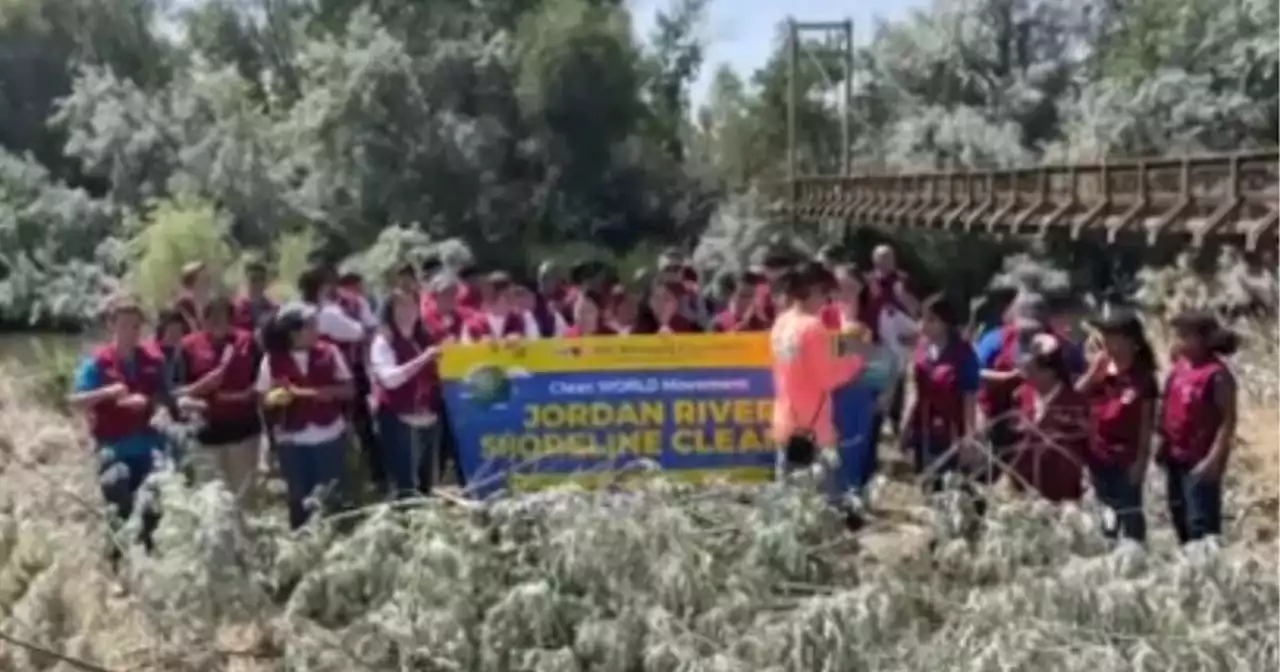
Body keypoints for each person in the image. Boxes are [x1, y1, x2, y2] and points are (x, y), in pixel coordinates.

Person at [68, 295, 167, 561]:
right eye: (125, 325)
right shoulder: (98, 363)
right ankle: (118, 562)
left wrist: (154, 406)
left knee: (152, 505)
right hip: (113, 447)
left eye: (136, 326)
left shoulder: (153, 361)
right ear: (112, 326)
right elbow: (75, 401)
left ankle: (148, 562)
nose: (131, 332)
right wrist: (108, 393)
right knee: (118, 492)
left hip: (148, 447)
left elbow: (164, 397)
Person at [769, 261, 866, 520]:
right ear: (812, 290)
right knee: (818, 508)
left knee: (787, 506)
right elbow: (829, 377)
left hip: (786, 420)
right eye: (825, 294)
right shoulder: (812, 328)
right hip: (812, 429)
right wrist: (855, 357)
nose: (826, 302)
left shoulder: (782, 322)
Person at [257, 302, 355, 529]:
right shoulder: (271, 360)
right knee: (299, 499)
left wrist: (311, 393)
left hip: (328, 435)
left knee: (330, 495)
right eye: (311, 326)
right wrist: (274, 398)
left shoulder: (329, 352)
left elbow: (349, 390)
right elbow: (261, 398)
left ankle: (332, 542)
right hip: (292, 441)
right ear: (295, 332)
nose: (316, 331)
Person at [1077, 311, 1158, 542]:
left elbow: (1146, 425)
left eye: (1111, 336)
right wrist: (1093, 374)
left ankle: (1135, 551)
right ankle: (1109, 546)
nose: (1106, 341)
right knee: (1106, 511)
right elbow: (1074, 397)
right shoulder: (1100, 371)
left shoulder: (1143, 378)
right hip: (1098, 455)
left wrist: (1140, 463)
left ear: (1129, 340)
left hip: (1126, 459)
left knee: (1130, 512)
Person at [1159, 310, 1238, 543]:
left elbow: (1228, 421)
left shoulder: (1217, 375)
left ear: (1204, 339)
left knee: (1201, 523)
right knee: (1179, 516)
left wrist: (1213, 460)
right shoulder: (1179, 369)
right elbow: (1168, 406)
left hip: (1200, 460)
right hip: (1175, 456)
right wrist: (1162, 442)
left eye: (1185, 336)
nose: (1178, 341)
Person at [177, 297, 263, 504]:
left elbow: (263, 379)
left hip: (244, 432)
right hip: (205, 435)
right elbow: (174, 392)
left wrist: (249, 394)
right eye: (212, 316)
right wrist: (202, 386)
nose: (218, 321)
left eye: (223, 316)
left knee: (244, 498)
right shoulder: (188, 347)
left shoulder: (247, 342)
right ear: (203, 320)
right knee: (212, 503)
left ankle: (245, 537)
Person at [900, 294, 980, 492]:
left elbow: (970, 396)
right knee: (926, 483)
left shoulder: (963, 354)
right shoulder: (921, 351)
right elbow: (913, 391)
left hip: (952, 431)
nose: (923, 325)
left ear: (945, 323)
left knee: (951, 484)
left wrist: (970, 436)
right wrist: (905, 426)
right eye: (922, 319)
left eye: (931, 320)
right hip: (924, 429)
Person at [369, 289, 444, 499]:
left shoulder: (425, 339)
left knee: (427, 483)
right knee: (405, 486)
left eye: (411, 305)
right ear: (390, 311)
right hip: (399, 419)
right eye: (400, 306)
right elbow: (390, 379)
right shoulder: (383, 342)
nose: (407, 311)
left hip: (428, 418)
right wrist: (423, 360)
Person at [1010, 333, 1089, 503]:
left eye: (1032, 370)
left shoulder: (1074, 404)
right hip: (1026, 492)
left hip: (1061, 496)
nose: (1026, 375)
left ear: (1050, 372)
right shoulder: (1022, 396)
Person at [975, 293, 1050, 471]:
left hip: (1036, 421)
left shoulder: (1056, 343)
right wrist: (1007, 378)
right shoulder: (995, 340)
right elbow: (973, 373)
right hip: (996, 415)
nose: (1030, 332)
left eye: (1036, 328)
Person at [461, 272, 539, 342]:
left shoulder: (525, 319)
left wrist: (523, 341)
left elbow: (536, 347)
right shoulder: (471, 324)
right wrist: (479, 347)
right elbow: (462, 352)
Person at [421, 273, 470, 342]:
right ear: (435, 296)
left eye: (454, 293)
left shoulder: (459, 315)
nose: (451, 297)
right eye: (446, 293)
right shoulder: (428, 317)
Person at [232, 259, 277, 333]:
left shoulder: (273, 310)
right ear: (246, 281)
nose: (258, 283)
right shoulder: (235, 309)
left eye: (261, 279)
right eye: (254, 279)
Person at [174, 261, 211, 332]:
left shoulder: (201, 296)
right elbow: (195, 326)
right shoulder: (185, 301)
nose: (207, 277)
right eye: (203, 275)